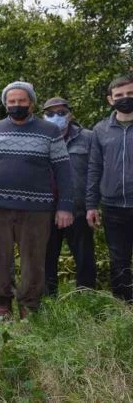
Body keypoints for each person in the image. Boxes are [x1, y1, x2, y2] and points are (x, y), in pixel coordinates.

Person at [0, 81, 73, 320]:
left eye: (22, 101)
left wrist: (65, 205)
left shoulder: (49, 131)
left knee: (33, 260)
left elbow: (63, 171)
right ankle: (1, 307)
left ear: (31, 104)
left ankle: (29, 307)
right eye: (12, 101)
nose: (16, 105)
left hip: (36, 209)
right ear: (5, 104)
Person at [42, 97, 96, 296]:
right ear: (43, 117)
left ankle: (87, 297)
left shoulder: (88, 137)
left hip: (78, 207)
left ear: (70, 114)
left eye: (61, 113)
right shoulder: (39, 138)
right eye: (50, 114)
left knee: (84, 256)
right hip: (47, 208)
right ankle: (48, 299)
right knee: (46, 256)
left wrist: (92, 204)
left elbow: (95, 171)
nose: (56, 117)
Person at [87, 75, 133, 302]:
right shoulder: (101, 129)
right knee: (119, 259)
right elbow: (94, 168)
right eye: (119, 95)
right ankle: (124, 305)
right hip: (113, 205)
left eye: (130, 94)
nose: (125, 98)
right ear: (110, 100)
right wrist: (91, 205)